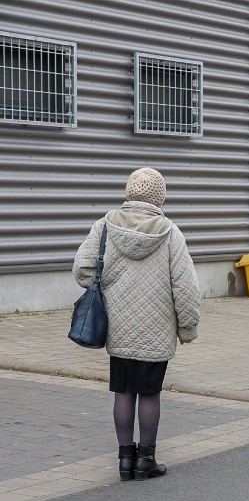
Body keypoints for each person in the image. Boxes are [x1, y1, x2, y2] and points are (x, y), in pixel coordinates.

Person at [72, 168, 200, 481]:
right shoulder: (170, 233)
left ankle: (124, 461)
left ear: (129, 191)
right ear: (160, 196)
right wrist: (187, 328)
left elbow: (82, 270)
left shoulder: (104, 225)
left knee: (123, 392)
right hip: (156, 329)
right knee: (150, 394)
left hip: (118, 325)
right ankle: (146, 461)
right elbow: (185, 288)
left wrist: (109, 287)